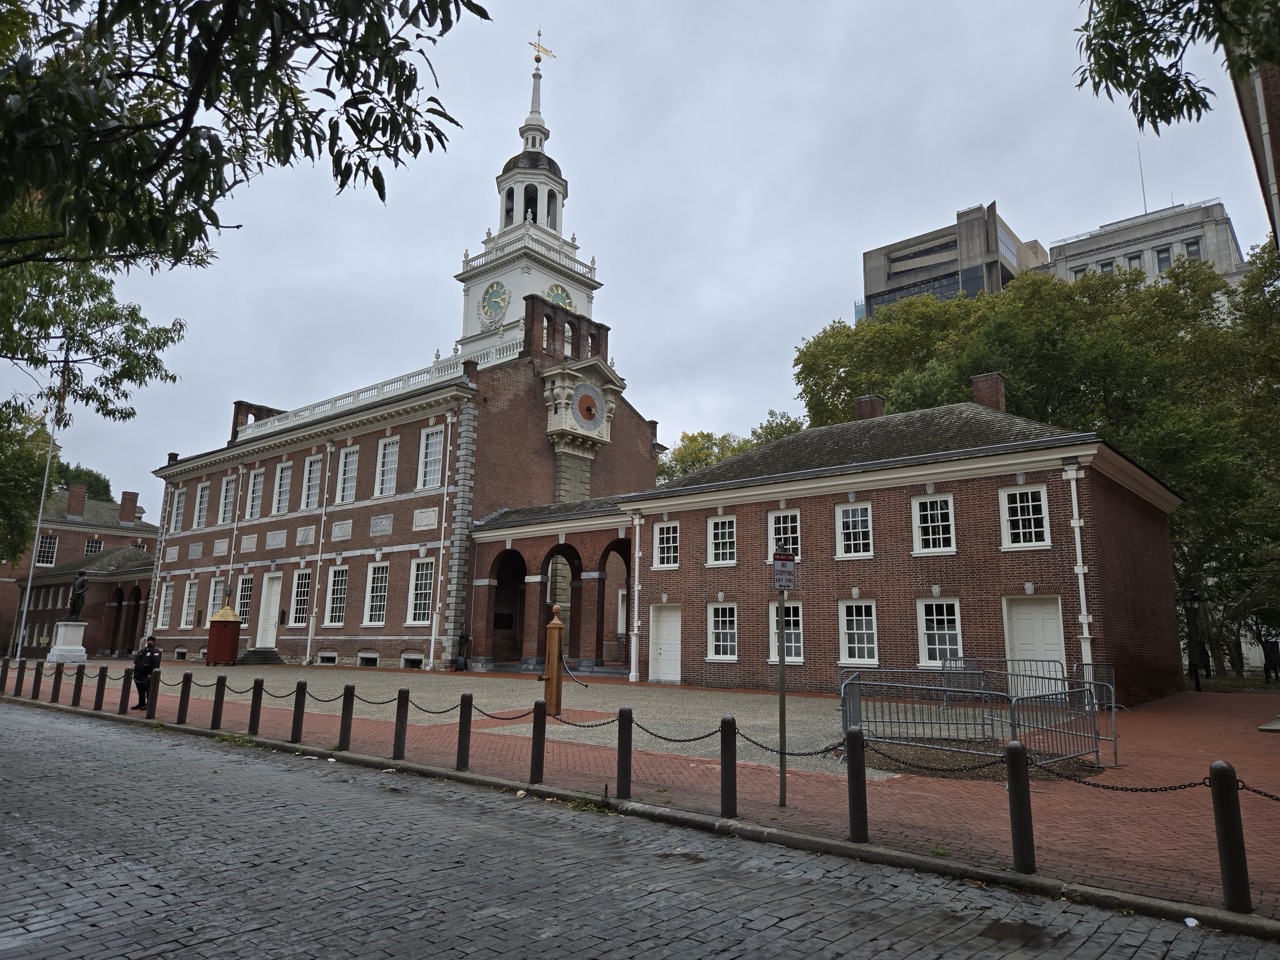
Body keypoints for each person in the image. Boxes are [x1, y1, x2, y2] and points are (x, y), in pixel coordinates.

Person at [132, 636, 162, 710]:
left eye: (152, 640)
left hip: (147, 673)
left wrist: (151, 674)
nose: (150, 642)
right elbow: (136, 660)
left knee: (148, 689)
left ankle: (149, 704)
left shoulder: (156, 651)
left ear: (154, 642)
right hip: (139, 673)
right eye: (149, 640)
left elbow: (156, 664)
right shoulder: (143, 650)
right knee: (140, 689)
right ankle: (141, 703)